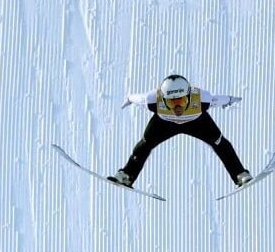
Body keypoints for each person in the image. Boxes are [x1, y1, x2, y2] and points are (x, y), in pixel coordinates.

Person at [108, 74, 253, 188]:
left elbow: (216, 100)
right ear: (163, 99)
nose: (178, 108)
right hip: (165, 124)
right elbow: (139, 99)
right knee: (145, 144)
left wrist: (230, 99)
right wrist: (129, 98)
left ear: (189, 96)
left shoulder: (202, 98)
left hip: (197, 122)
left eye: (182, 101)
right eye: (172, 102)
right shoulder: (152, 100)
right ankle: (126, 175)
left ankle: (240, 174)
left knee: (220, 142)